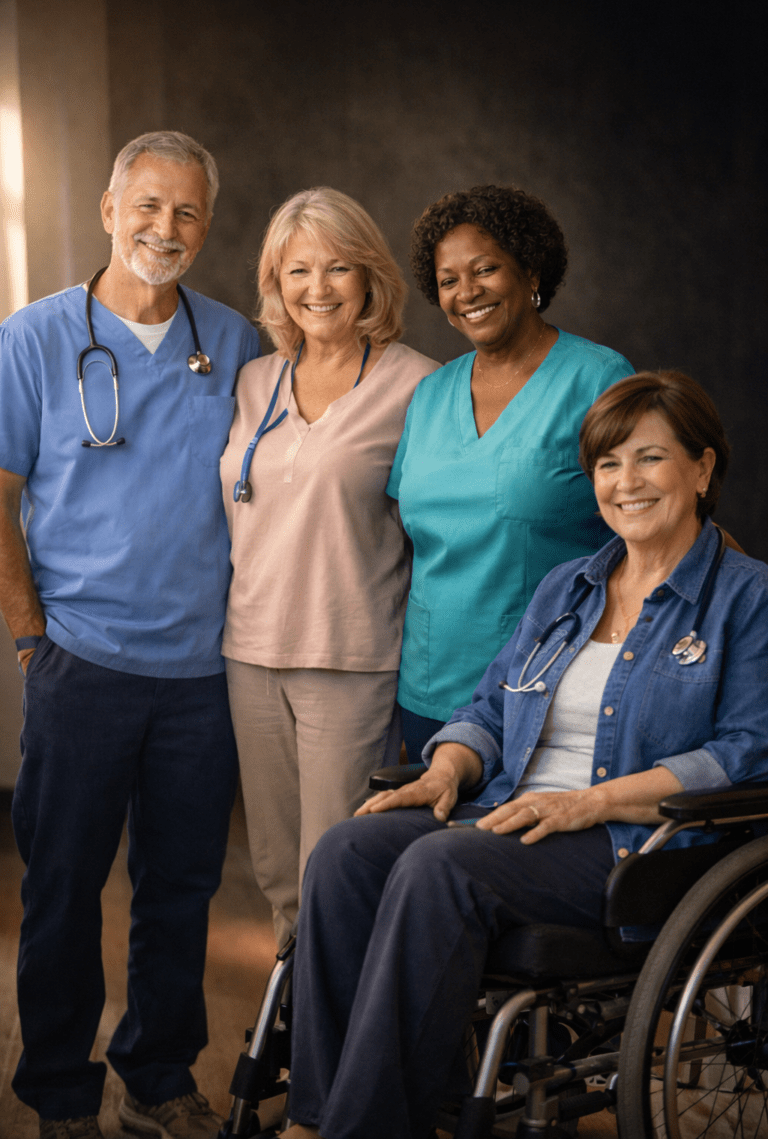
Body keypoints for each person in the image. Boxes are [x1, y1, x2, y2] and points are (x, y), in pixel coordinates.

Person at [279, 371, 768, 1139]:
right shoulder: (567, 588)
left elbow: (746, 753)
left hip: (637, 845)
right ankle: (312, 1118)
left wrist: (591, 802)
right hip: (515, 812)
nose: (625, 482)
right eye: (609, 464)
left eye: (650, 459)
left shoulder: (747, 598)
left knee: (442, 866)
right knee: (347, 851)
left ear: (702, 469)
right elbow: (489, 706)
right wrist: (447, 770)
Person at [0, 132, 261, 1139]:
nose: (167, 228)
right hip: (82, 665)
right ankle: (60, 1092)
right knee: (63, 888)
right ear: (109, 210)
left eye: (188, 211)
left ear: (207, 225)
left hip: (203, 674)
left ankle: (157, 1075)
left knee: (182, 889)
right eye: (148, 206)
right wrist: (32, 641)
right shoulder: (33, 338)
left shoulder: (232, 343)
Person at [220, 187, 440, 946]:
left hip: (350, 658)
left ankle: (339, 1053)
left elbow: (443, 526)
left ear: (370, 278)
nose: (317, 288)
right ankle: (293, 1036)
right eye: (298, 270)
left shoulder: (417, 385)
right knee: (279, 870)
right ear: (275, 283)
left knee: (331, 868)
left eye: (338, 268)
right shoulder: (255, 382)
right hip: (249, 653)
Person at [387, 184, 635, 759]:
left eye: (485, 270)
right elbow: (409, 533)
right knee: (424, 844)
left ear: (531, 271)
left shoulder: (598, 379)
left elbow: (647, 527)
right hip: (428, 687)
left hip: (543, 685)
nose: (466, 293)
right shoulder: (430, 393)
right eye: (449, 281)